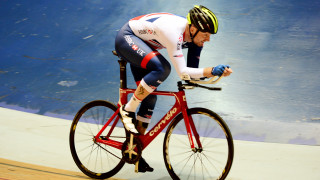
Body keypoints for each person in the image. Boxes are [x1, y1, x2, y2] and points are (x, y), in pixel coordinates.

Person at [114, 5, 233, 172]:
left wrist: (214, 74)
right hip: (127, 38)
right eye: (205, 35)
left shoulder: (195, 40)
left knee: (149, 97)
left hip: (144, 44)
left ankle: (134, 150)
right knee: (163, 68)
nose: (208, 39)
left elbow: (191, 75)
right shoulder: (173, 32)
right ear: (193, 28)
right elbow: (183, 72)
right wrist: (212, 70)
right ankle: (128, 109)